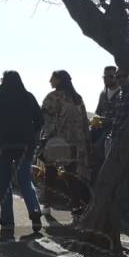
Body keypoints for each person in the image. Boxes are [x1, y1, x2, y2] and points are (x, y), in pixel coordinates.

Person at [0, 71, 44, 236]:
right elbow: (40, 119)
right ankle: (34, 209)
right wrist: (32, 133)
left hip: (4, 144)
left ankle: (7, 218)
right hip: (26, 144)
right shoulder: (28, 96)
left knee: (4, 181)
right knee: (25, 179)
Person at [40, 69, 92, 218]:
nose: (50, 81)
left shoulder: (53, 97)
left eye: (52, 78)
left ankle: (47, 205)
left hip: (57, 141)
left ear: (59, 80)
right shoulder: (77, 98)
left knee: (50, 173)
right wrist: (87, 142)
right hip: (75, 143)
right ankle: (76, 206)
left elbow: (46, 119)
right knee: (71, 175)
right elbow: (84, 122)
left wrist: (45, 138)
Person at [91, 65, 120, 180]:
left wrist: (106, 120)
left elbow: (122, 118)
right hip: (99, 128)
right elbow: (98, 112)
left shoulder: (122, 94)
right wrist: (96, 119)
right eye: (105, 77)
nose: (107, 79)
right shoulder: (103, 93)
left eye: (111, 77)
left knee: (100, 150)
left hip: (112, 131)